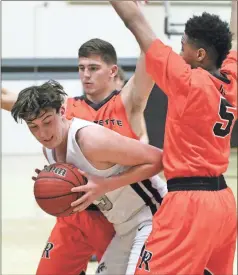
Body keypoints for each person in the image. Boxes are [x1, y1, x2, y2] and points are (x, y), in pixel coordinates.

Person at [76, 1, 236, 274]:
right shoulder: (232, 79)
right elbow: (234, 40)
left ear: (199, 54)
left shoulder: (187, 80)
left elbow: (135, 24)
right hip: (224, 203)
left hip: (188, 203)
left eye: (183, 44)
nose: (179, 49)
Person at [1, 38, 156, 274]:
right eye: (81, 68)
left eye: (93, 68)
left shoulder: (125, 102)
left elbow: (150, 57)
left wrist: (134, 20)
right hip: (78, 211)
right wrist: (53, 178)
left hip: (121, 214)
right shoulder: (61, 107)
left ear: (113, 71)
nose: (86, 75)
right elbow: (12, 100)